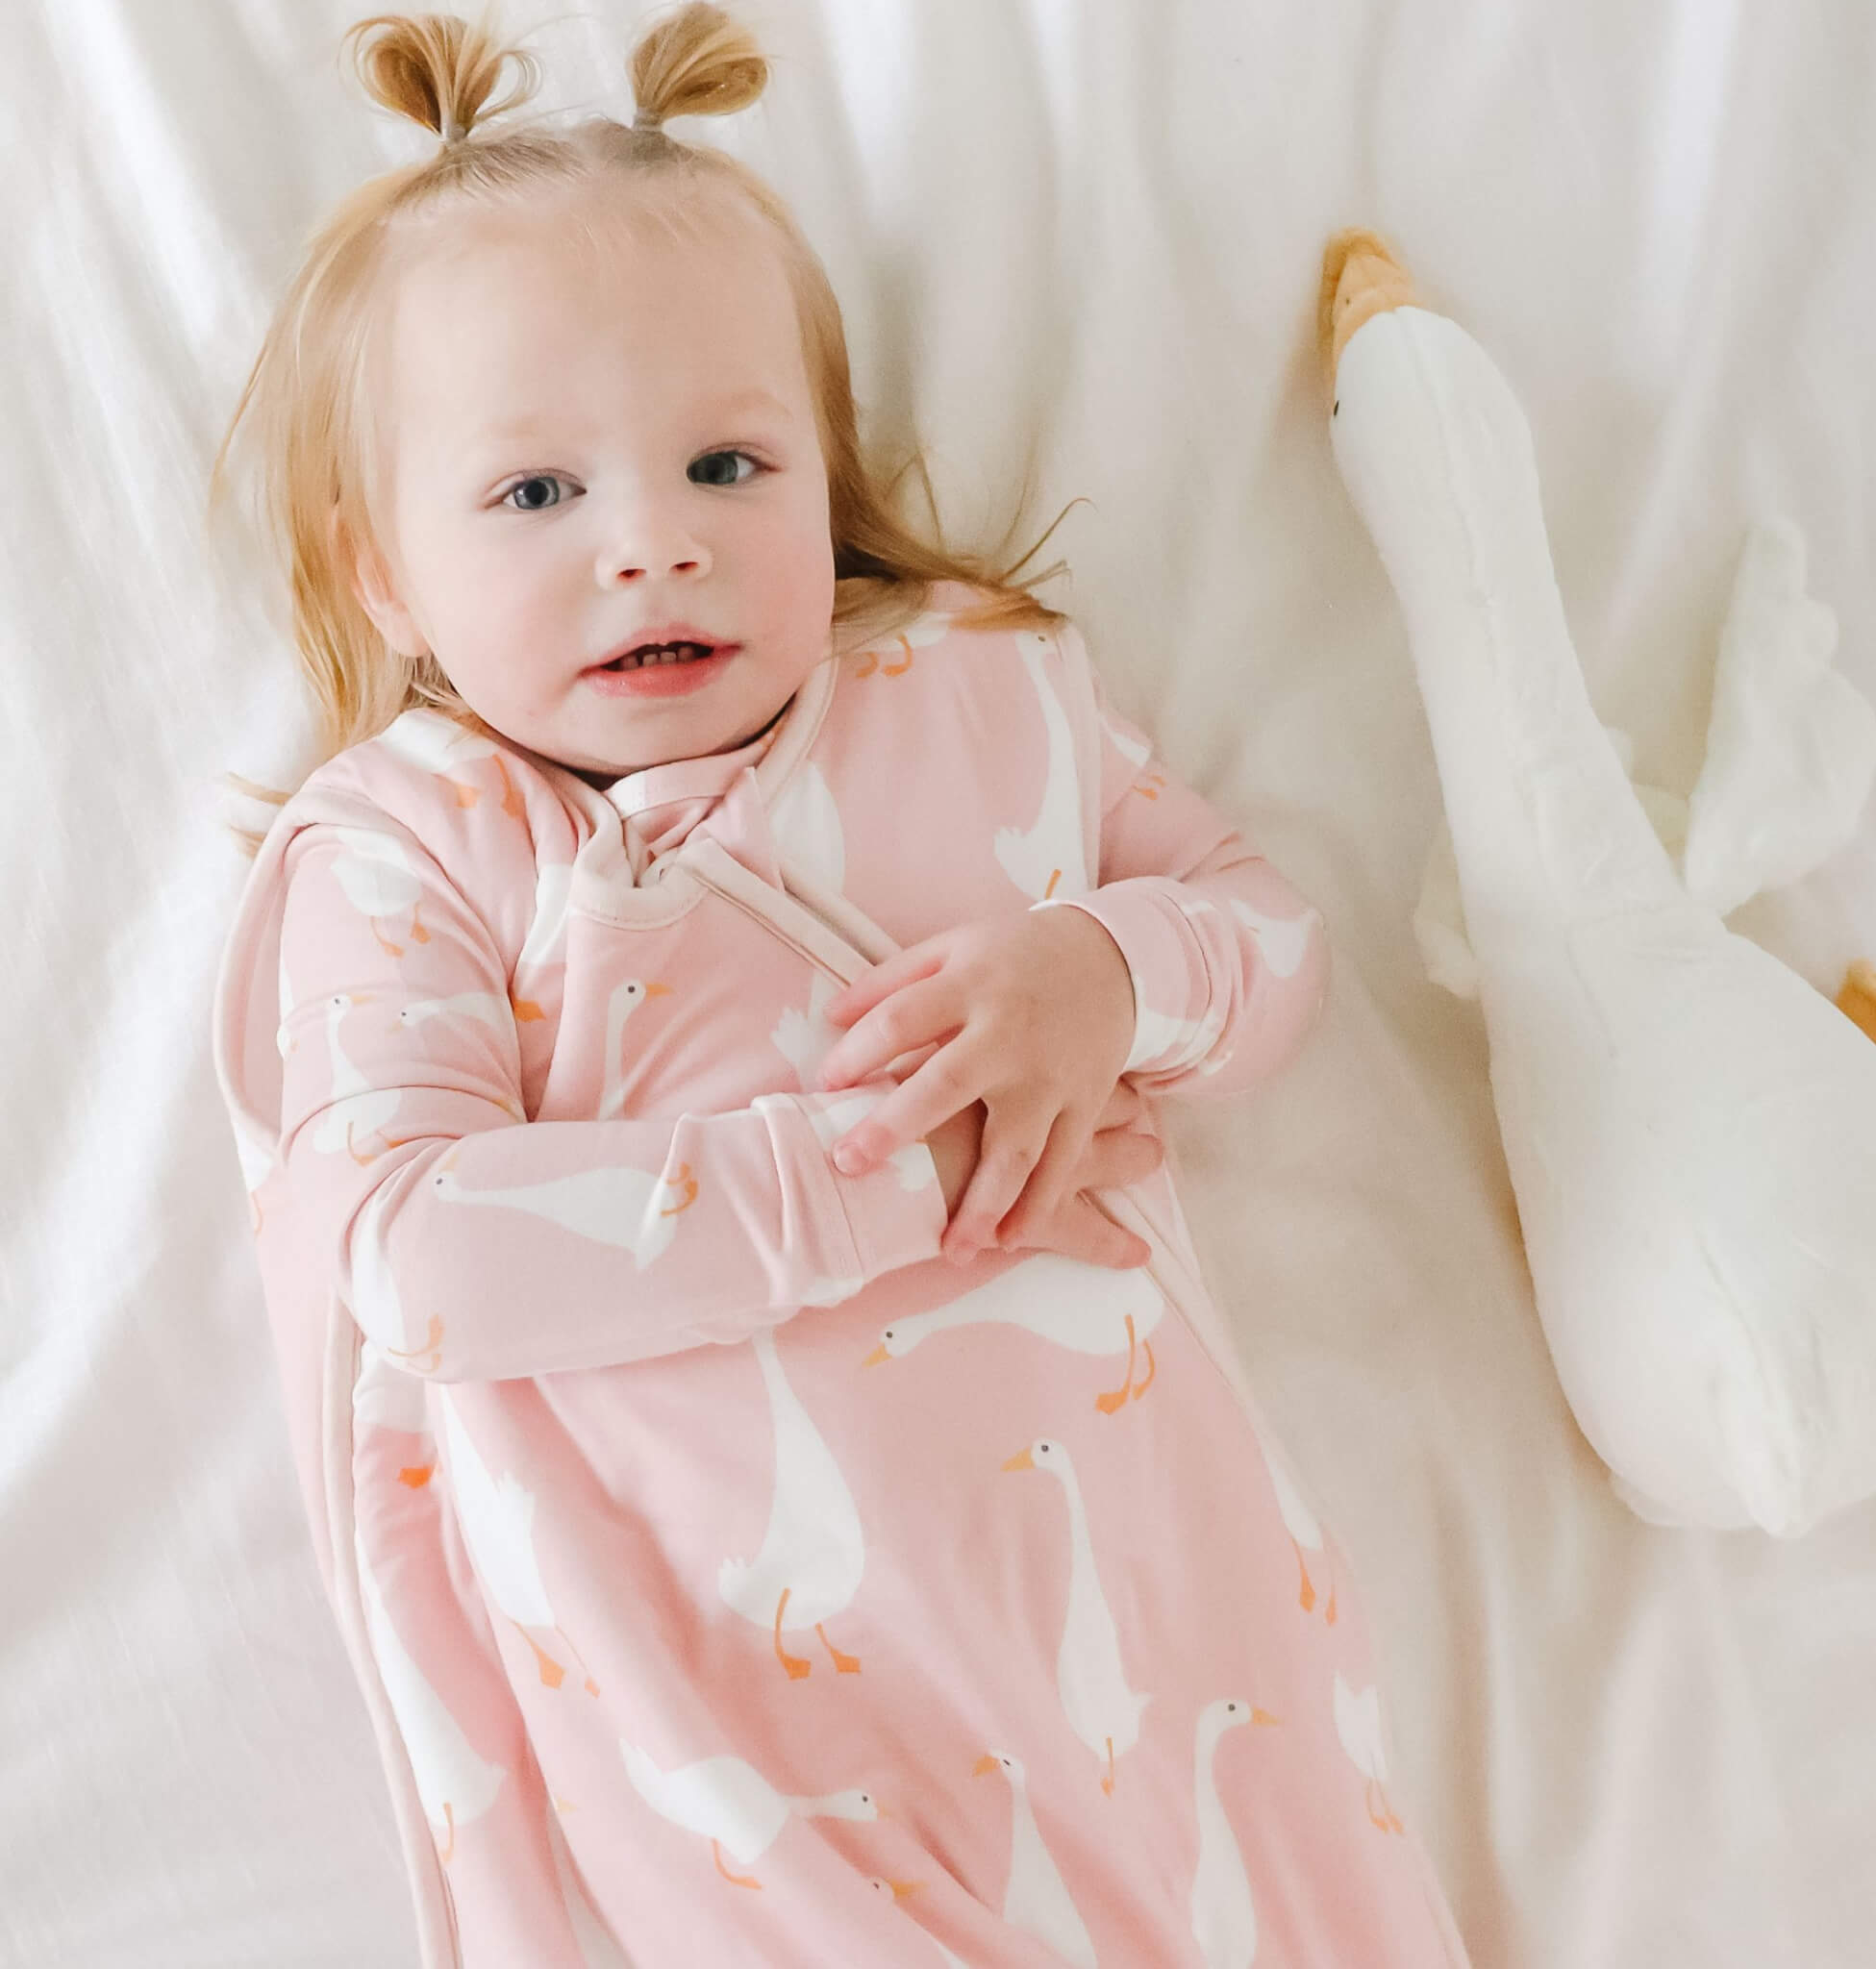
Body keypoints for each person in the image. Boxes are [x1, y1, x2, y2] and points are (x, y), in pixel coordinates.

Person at [209, 9, 1470, 1964]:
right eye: (536, 495)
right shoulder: (418, 842)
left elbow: (1270, 938)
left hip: (1137, 1633)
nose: (654, 543)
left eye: (728, 462)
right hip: (742, 1708)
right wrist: (889, 1173)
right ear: (384, 577)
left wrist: (1105, 973)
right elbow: (413, 1249)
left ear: (824, 477)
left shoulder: (977, 697)